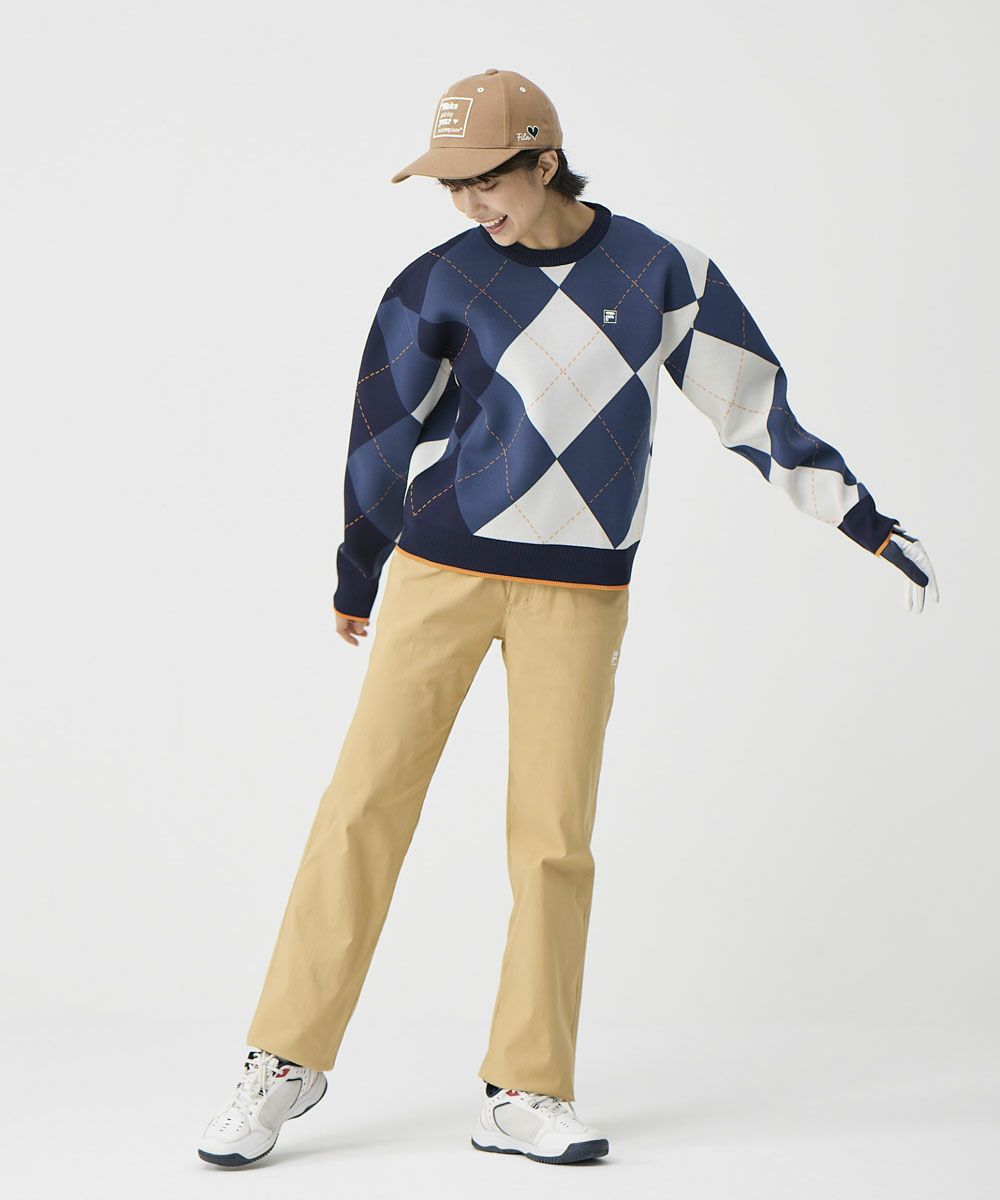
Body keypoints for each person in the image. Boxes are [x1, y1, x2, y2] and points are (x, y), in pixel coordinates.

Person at [197, 66, 939, 1171]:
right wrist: (358, 575)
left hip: (583, 590)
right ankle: (282, 1062)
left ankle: (525, 1087)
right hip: (440, 573)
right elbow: (381, 436)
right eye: (451, 187)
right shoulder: (436, 281)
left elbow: (751, 406)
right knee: (362, 809)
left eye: (486, 180)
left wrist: (863, 522)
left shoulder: (661, 269)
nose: (469, 204)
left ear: (545, 160)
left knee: (553, 841)